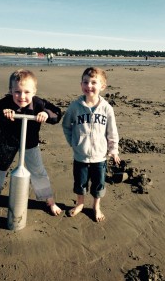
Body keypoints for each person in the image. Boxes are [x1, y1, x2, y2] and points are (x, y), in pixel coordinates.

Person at [0, 69, 62, 216]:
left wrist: (46, 114)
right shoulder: (4, 103)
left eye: (27, 92)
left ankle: (48, 199)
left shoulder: (39, 103)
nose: (22, 96)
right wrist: (3, 114)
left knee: (38, 171)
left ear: (34, 91)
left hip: (30, 143)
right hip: (6, 142)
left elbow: (56, 114)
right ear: (10, 90)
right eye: (17, 92)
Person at [62, 67, 120, 222]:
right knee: (80, 182)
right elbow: (66, 125)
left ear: (102, 86)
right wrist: (73, 142)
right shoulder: (75, 107)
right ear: (81, 84)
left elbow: (112, 131)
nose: (89, 86)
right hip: (80, 155)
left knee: (98, 184)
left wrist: (114, 150)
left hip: (100, 156)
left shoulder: (107, 108)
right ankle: (80, 204)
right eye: (85, 82)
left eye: (94, 82)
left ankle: (96, 206)